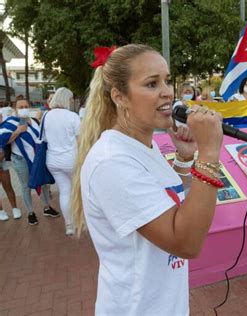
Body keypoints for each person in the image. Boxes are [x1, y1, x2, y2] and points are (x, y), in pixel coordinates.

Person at [70, 44, 223, 314]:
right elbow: (185, 242)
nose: (167, 91)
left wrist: (185, 158)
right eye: (152, 84)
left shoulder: (143, 147)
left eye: (166, 80)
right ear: (120, 97)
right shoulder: (113, 161)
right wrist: (209, 153)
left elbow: (160, 201)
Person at [5, 97, 59, 225]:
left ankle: (47, 207)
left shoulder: (34, 121)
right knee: (26, 186)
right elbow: (4, 141)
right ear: (15, 109)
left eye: (25, 106)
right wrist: (18, 131)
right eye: (20, 107)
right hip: (20, 160)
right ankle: (31, 213)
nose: (24, 109)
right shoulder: (11, 123)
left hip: (37, 159)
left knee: (44, 183)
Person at [43, 87, 81, 236]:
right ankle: (82, 221)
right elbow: (80, 140)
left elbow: (44, 139)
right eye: (71, 99)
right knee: (78, 191)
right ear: (66, 99)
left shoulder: (46, 116)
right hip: (71, 159)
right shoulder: (72, 116)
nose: (72, 102)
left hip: (52, 160)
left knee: (64, 191)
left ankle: (69, 225)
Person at [0, 113, 21, 221]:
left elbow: (7, 142)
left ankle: (15, 208)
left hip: (2, 161)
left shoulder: (5, 126)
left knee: (7, 185)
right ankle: (1, 211)